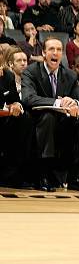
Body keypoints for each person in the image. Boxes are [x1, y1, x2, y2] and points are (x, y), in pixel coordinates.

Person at [21, 37, 79, 192]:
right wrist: (58, 103)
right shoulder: (31, 71)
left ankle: (76, 176)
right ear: (43, 53)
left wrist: (74, 104)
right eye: (51, 49)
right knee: (48, 117)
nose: (55, 53)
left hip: (63, 124)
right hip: (38, 123)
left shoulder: (69, 75)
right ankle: (43, 175)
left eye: (59, 50)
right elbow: (28, 99)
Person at [0, 53, 33, 187]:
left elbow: (14, 100)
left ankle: (14, 176)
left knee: (25, 119)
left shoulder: (7, 75)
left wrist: (15, 105)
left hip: (3, 119)